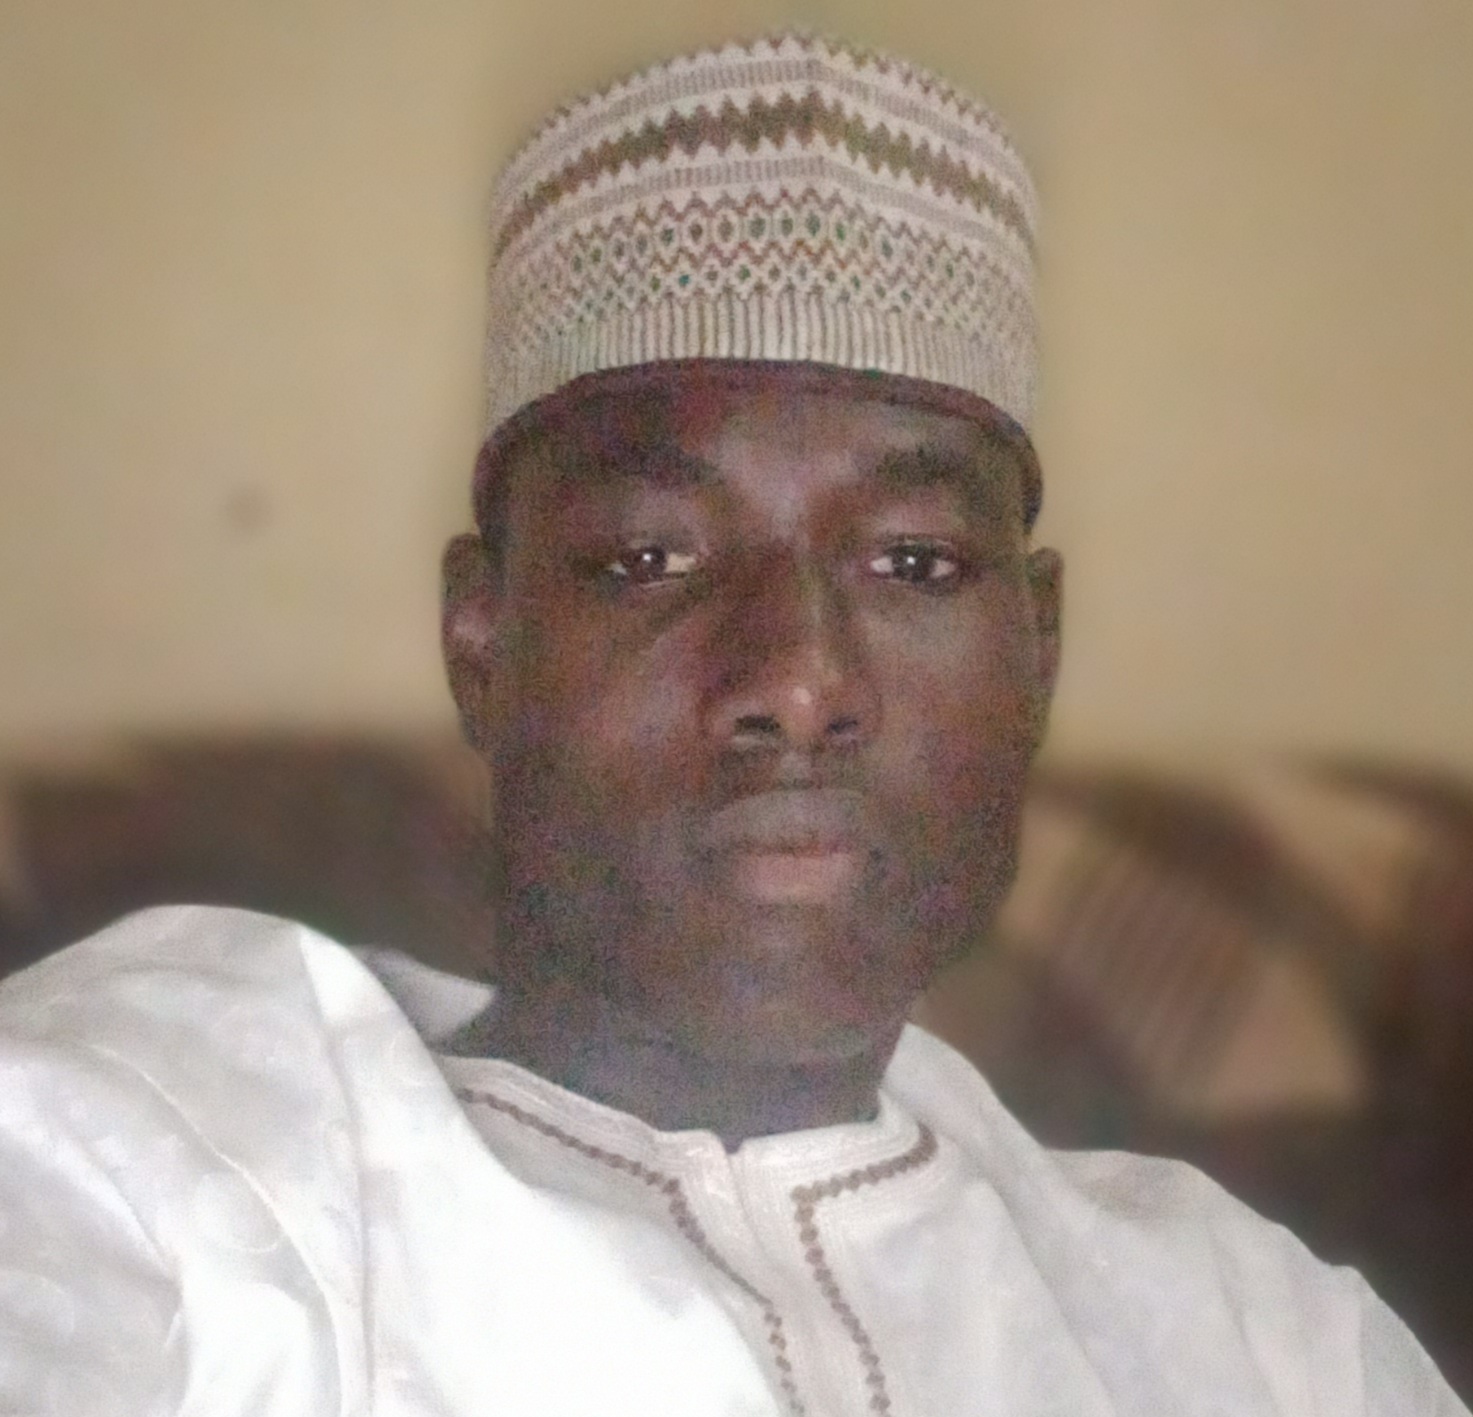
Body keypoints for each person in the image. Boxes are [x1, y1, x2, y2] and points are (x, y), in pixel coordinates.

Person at [0, 30, 1464, 1417]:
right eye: (653, 558)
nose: (798, 677)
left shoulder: (1258, 1334)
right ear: (482, 643)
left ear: (1038, 654)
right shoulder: (147, 1163)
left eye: (914, 563)